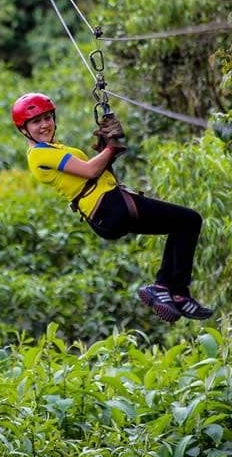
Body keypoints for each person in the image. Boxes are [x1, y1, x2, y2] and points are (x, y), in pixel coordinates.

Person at [12, 92, 213, 322]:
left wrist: (107, 147)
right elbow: (90, 171)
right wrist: (110, 147)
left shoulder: (53, 148)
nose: (45, 125)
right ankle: (174, 291)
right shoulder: (38, 155)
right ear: (23, 129)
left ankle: (172, 291)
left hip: (106, 213)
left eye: (48, 118)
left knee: (184, 223)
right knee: (188, 220)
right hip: (110, 206)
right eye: (36, 121)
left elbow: (90, 171)